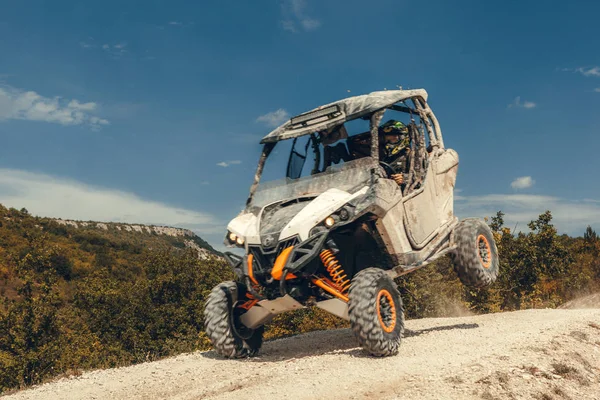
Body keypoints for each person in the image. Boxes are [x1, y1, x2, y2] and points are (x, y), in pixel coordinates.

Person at [379, 119, 411, 187]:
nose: (388, 142)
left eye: (393, 139)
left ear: (402, 137)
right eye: (387, 139)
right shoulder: (386, 159)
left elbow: (424, 177)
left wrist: (404, 179)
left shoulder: (412, 155)